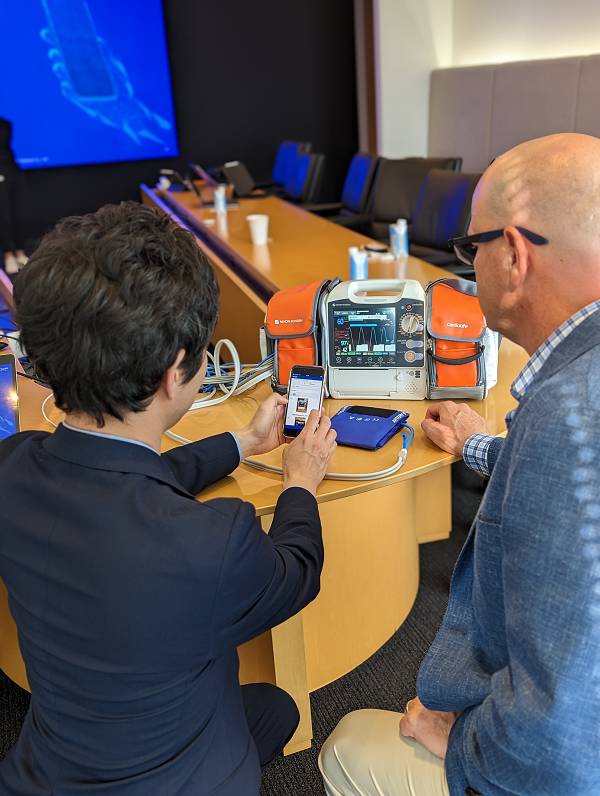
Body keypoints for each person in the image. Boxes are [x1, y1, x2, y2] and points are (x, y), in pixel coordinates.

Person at [0, 201, 337, 795]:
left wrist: (240, 443)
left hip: (44, 776)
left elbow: (123, 477)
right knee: (280, 708)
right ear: (174, 371)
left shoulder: (13, 467)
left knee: (270, 710)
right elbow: (298, 573)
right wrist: (299, 483)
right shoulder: (213, 541)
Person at [318, 132, 600, 796]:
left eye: (472, 249)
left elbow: (558, 733)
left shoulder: (566, 416)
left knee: (346, 746)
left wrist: (466, 741)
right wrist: (476, 445)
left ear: (515, 256)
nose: (470, 267)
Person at [0, 118, 27, 275]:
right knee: (4, 216)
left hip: (11, 171)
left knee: (17, 213)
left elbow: (4, 144)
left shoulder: (5, 124)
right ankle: (8, 255)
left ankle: (19, 252)